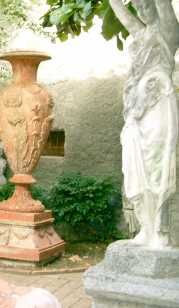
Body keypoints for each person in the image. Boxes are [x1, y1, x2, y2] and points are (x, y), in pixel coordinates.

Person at [109, 0, 178, 248]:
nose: (141, 11)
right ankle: (145, 229)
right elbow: (124, 17)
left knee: (158, 166)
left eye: (145, 5)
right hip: (137, 111)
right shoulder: (141, 32)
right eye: (137, 8)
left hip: (159, 105)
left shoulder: (168, 31)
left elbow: (164, 8)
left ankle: (160, 231)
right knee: (135, 169)